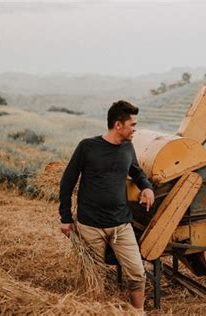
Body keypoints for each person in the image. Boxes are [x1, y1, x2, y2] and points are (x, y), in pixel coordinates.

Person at [59, 100, 155, 311]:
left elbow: (137, 172)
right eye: (132, 125)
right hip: (90, 225)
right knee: (94, 277)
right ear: (118, 125)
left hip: (121, 224)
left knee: (137, 273)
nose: (135, 129)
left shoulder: (128, 147)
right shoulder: (87, 147)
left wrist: (146, 187)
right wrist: (65, 218)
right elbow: (67, 181)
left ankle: (137, 313)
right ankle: (98, 311)